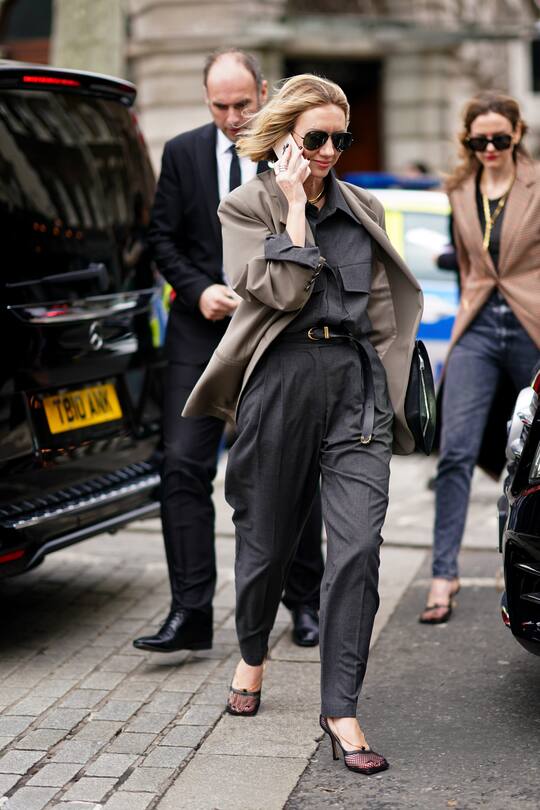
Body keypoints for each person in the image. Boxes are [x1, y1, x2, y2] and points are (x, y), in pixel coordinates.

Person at [183, 74, 423, 775]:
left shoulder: (364, 207)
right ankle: (252, 654)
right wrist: (293, 207)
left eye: (338, 139)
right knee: (265, 545)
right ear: (284, 135)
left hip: (353, 388)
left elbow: (380, 313)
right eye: (313, 138)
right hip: (278, 385)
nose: (326, 151)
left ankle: (341, 707)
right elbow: (284, 289)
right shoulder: (243, 205)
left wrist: (386, 397)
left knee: (358, 546)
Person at [133, 50, 324, 655]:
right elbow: (161, 236)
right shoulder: (184, 152)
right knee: (183, 467)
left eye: (244, 103)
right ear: (206, 99)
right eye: (221, 106)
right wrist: (197, 289)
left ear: (263, 92)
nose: (234, 117)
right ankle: (190, 611)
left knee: (286, 469)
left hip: (273, 331)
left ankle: (306, 603)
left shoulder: (293, 152)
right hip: (200, 331)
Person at [420, 91, 540, 624]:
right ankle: (443, 575)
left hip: (530, 324)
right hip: (476, 327)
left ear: (518, 134)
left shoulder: (537, 186)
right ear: (467, 140)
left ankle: (525, 561)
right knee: (455, 451)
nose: (489, 148)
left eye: (500, 138)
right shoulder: (457, 189)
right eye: (479, 140)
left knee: (533, 455)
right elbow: (468, 263)